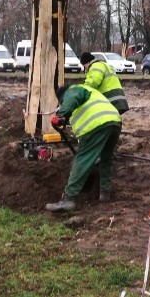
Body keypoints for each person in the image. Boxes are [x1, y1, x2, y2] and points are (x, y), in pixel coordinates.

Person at [45, 84, 122, 212]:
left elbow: (72, 98)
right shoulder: (89, 93)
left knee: (82, 159)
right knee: (106, 158)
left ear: (61, 98)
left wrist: (61, 116)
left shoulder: (72, 90)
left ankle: (68, 199)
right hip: (114, 121)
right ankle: (105, 194)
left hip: (97, 124)